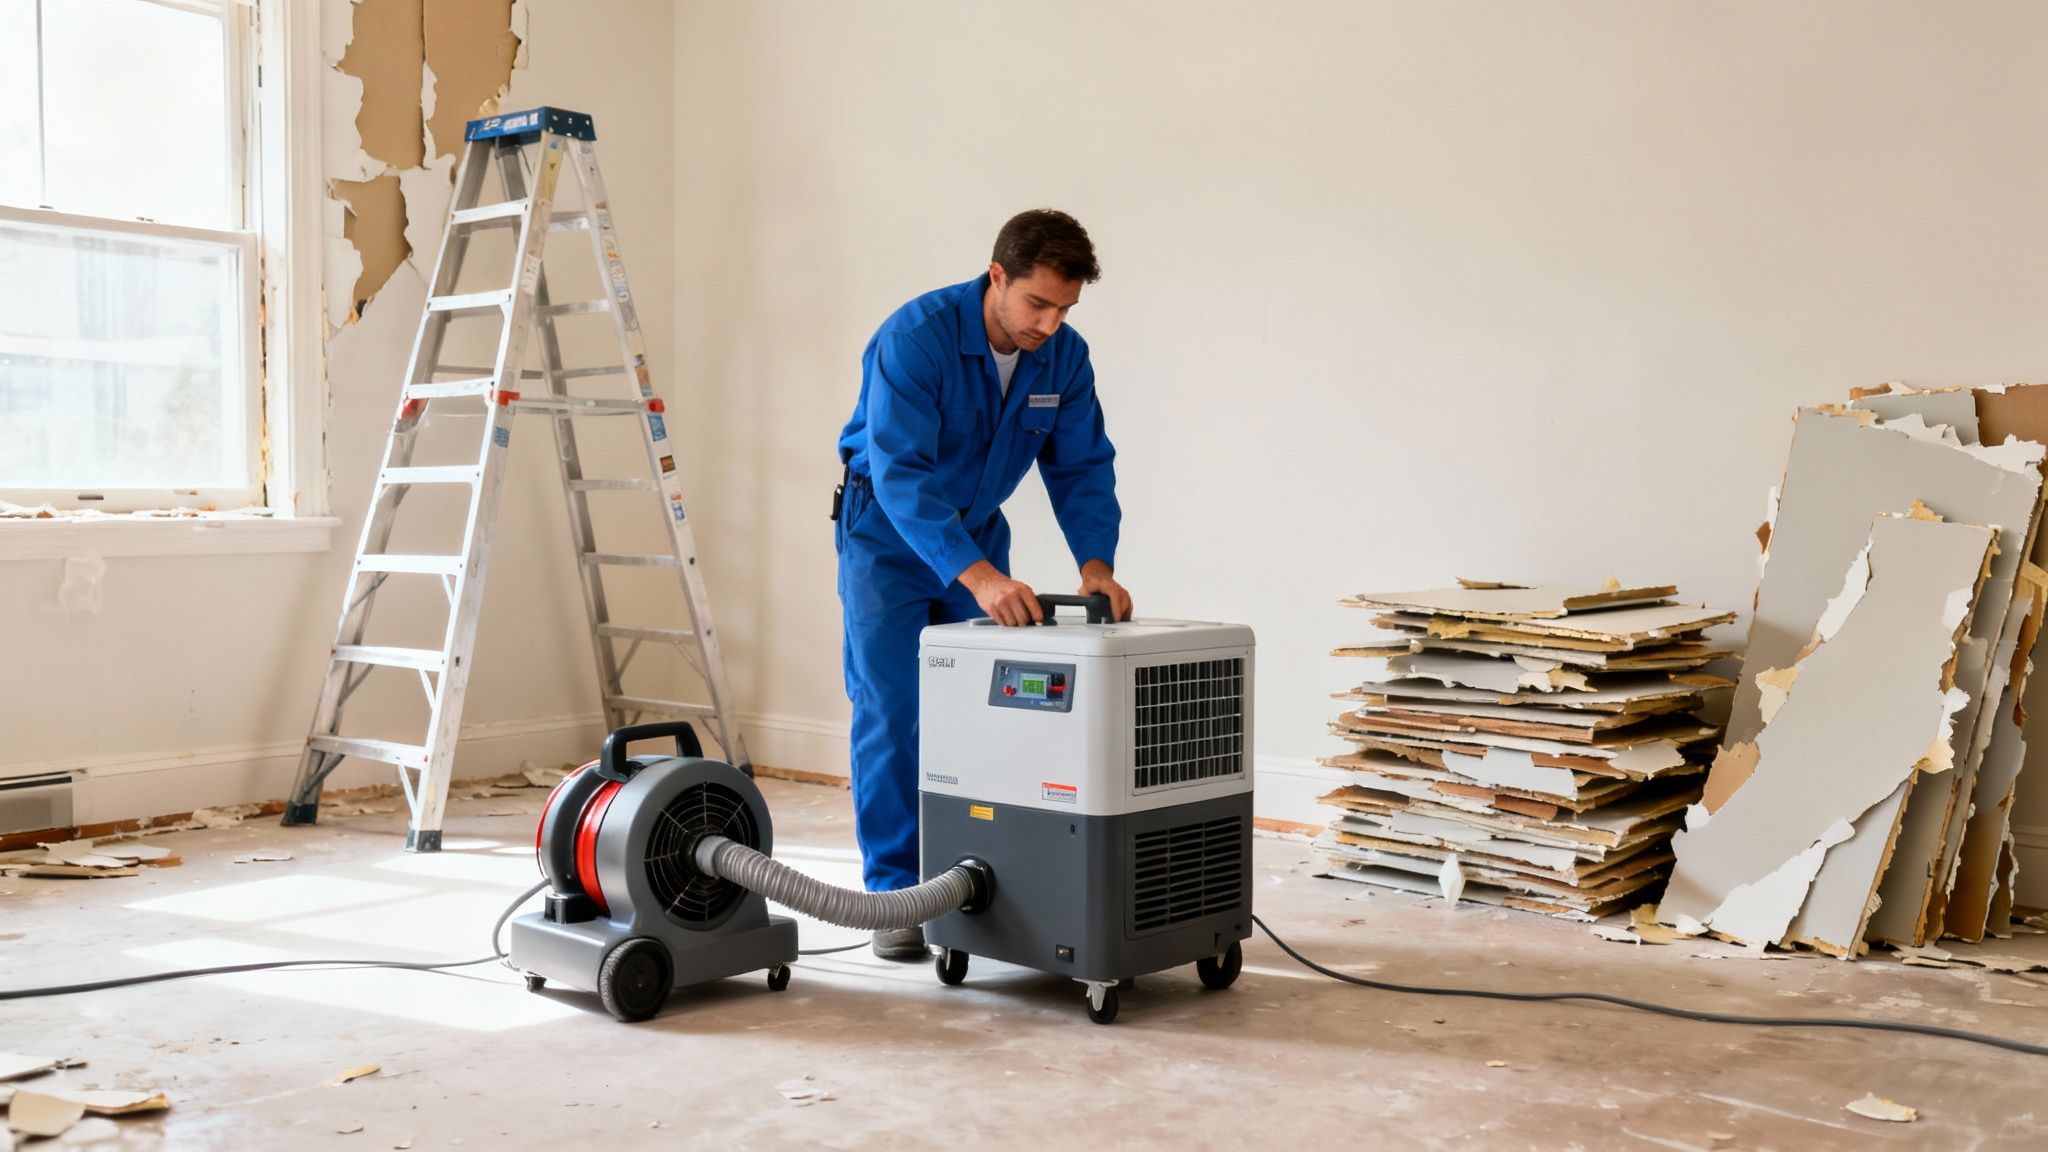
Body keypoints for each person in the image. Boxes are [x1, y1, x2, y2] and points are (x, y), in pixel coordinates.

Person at [833, 209, 1132, 960]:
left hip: (978, 538)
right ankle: (896, 895)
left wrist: (1096, 563)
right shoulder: (915, 338)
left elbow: (1081, 465)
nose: (1050, 324)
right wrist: (979, 576)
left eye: (1065, 309)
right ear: (997, 275)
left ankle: (981, 880)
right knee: (893, 711)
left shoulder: (1063, 358)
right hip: (887, 536)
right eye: (1038, 303)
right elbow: (901, 473)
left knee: (991, 714)